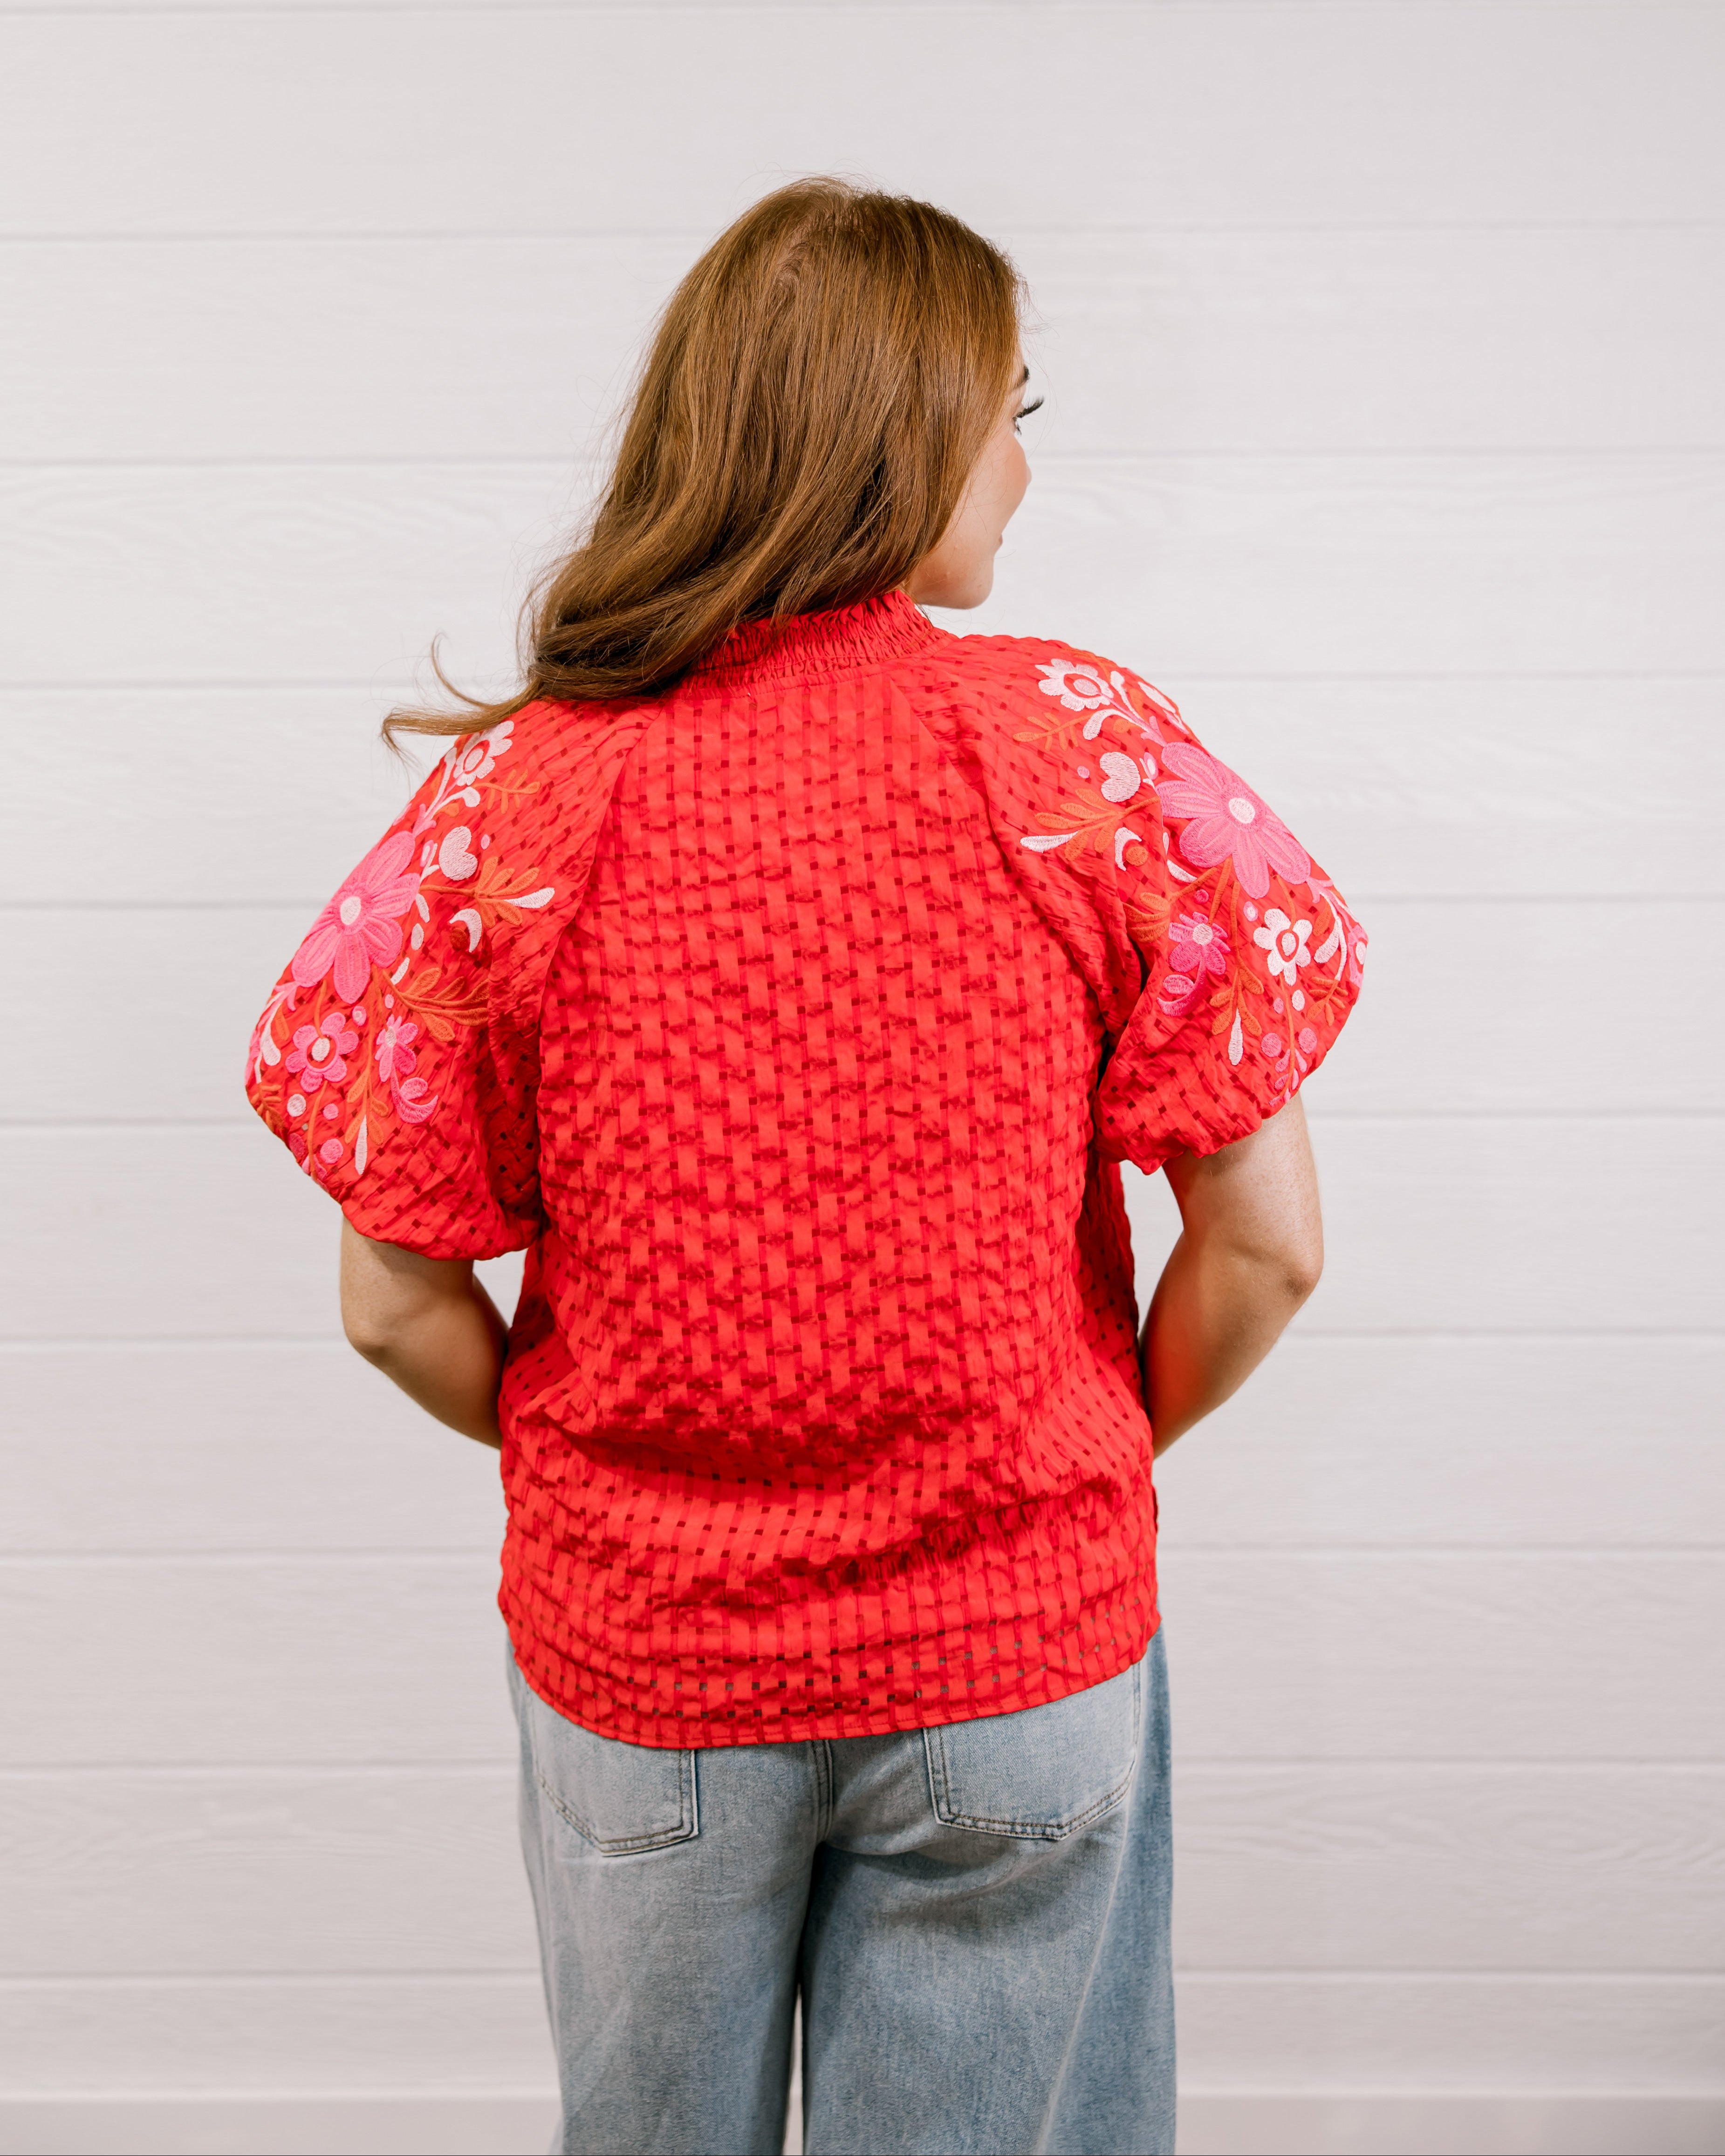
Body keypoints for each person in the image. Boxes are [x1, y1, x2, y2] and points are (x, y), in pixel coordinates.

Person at [245, 177, 1364, 2156]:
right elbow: (1263, 1250)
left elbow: (385, 1296)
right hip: (1015, 1651)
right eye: (1010, 409)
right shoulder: (1079, 755)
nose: (1023, 466)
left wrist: (610, 1472)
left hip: (646, 1668)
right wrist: (1085, 1443)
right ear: (899, 426)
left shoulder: (517, 799)